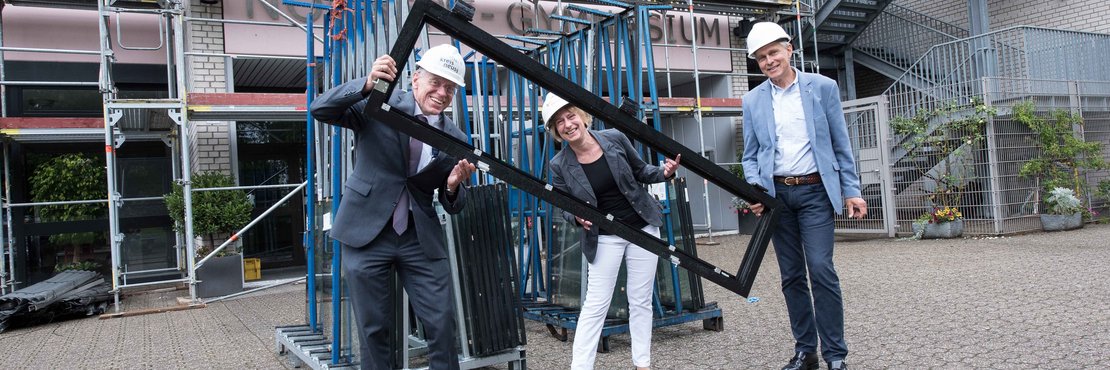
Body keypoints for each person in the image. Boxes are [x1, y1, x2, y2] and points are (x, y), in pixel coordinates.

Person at [310, 44, 477, 370]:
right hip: (366, 233)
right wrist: (367, 84)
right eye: (436, 82)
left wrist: (453, 186)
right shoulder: (379, 104)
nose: (442, 92)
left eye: (450, 88)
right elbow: (320, 109)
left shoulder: (456, 138)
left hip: (419, 238)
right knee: (374, 330)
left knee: (442, 324)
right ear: (416, 79)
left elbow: (452, 203)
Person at [740, 22, 868, 370]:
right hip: (777, 198)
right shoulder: (752, 100)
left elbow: (840, 143)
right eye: (761, 57)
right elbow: (750, 156)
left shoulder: (822, 88)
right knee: (792, 276)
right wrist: (755, 190)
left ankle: (836, 356)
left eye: (773, 53)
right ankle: (805, 351)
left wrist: (852, 191)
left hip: (815, 193)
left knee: (822, 269)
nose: (768, 61)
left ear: (789, 49)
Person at [543, 92, 681, 370]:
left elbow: (641, 171)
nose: (568, 124)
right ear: (555, 131)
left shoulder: (615, 138)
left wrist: (665, 173)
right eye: (559, 122)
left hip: (642, 227)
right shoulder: (558, 165)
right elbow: (562, 204)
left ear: (582, 117)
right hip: (604, 236)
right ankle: (580, 367)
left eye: (571, 116)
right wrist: (575, 217)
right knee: (596, 305)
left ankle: (642, 364)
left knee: (640, 299)